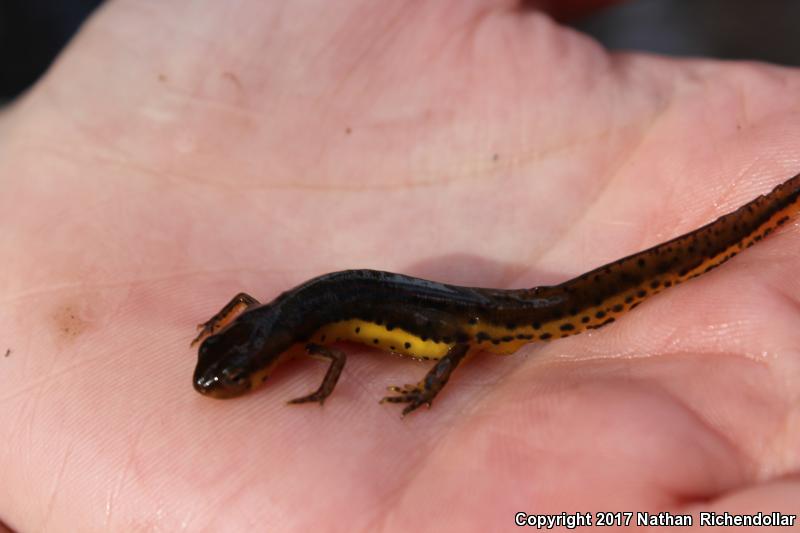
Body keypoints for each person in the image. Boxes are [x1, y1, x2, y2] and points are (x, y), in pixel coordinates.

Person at [1, 1, 798, 530]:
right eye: (232, 366)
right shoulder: (278, 319)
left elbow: (330, 368)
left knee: (512, 320)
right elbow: (260, 308)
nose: (229, 378)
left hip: (455, 318)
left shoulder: (310, 342)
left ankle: (772, 205)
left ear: (266, 351)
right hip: (401, 298)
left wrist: (421, 385)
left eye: (236, 373)